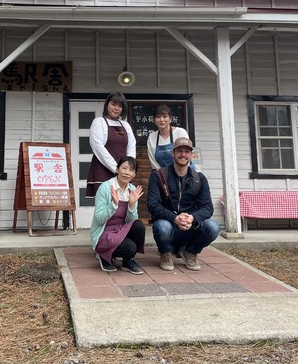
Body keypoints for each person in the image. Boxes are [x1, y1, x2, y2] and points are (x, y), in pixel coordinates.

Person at [146, 137, 220, 271]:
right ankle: (165, 253)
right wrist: (175, 218)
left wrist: (192, 218)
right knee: (161, 227)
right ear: (172, 153)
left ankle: (190, 252)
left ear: (192, 155)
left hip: (190, 225)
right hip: (169, 224)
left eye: (187, 151)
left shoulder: (200, 178)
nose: (183, 155)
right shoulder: (158, 175)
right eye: (179, 151)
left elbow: (208, 208)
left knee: (213, 227)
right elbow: (153, 204)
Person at [90, 156, 145, 274]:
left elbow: (132, 222)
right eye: (124, 168)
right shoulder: (105, 188)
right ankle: (103, 256)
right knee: (130, 247)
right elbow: (99, 219)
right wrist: (113, 205)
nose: (127, 173)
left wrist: (131, 204)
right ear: (117, 169)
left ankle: (127, 260)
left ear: (134, 174)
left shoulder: (132, 190)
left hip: (121, 230)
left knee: (139, 225)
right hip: (104, 231)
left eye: (131, 170)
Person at [85, 91, 136, 197]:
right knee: (104, 208)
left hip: (123, 173)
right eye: (113, 104)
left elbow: (131, 146)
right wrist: (116, 169)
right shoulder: (99, 122)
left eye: (120, 106)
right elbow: (98, 147)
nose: (116, 108)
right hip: (102, 171)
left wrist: (128, 169)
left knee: (122, 207)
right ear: (107, 104)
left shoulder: (125, 125)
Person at [147, 104, 190, 170]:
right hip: (162, 175)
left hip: (183, 171)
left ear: (170, 119)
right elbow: (153, 161)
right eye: (158, 117)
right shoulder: (152, 137)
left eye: (164, 116)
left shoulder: (180, 132)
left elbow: (187, 155)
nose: (161, 120)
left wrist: (182, 172)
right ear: (154, 120)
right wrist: (162, 175)